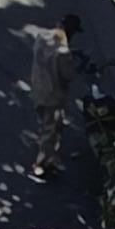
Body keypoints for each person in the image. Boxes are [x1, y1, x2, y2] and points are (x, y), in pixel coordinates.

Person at [25, 10, 89, 180]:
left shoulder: (42, 37)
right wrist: (77, 64)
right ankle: (41, 166)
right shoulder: (63, 52)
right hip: (53, 95)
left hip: (38, 88)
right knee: (51, 131)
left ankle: (49, 159)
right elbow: (68, 74)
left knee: (44, 124)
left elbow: (48, 55)